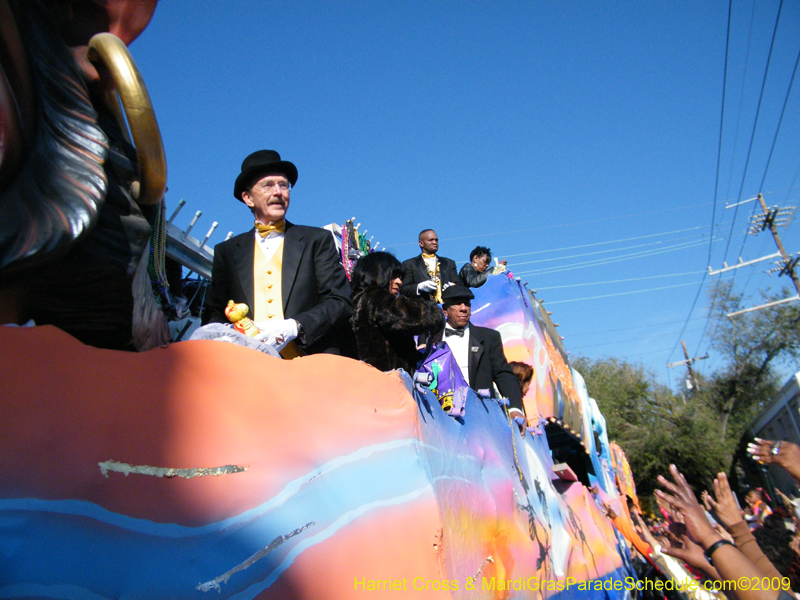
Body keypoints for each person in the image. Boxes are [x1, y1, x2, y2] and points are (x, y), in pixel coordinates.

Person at [205, 150, 352, 357]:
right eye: (268, 185)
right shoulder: (227, 251)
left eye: (283, 185)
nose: (278, 192)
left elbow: (340, 301)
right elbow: (214, 313)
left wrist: (294, 327)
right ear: (248, 198)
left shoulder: (316, 240)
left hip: (310, 362)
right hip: (249, 366)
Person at [436, 285, 523, 417]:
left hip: (481, 417)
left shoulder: (489, 338)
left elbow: (503, 374)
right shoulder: (431, 338)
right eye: (457, 304)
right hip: (440, 416)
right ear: (445, 310)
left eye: (467, 304)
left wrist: (515, 409)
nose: (464, 308)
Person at [349, 252, 444, 374]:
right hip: (383, 384)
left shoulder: (358, 298)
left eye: (400, 277)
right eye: (394, 276)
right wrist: (436, 315)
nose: (399, 282)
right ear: (376, 273)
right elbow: (411, 317)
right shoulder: (374, 296)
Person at [400, 229, 461, 302]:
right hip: (423, 309)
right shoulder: (409, 264)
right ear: (421, 243)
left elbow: (460, 285)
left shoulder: (449, 263)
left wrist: (453, 287)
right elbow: (403, 290)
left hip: (446, 308)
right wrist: (419, 287)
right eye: (431, 240)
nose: (435, 242)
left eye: (436, 240)